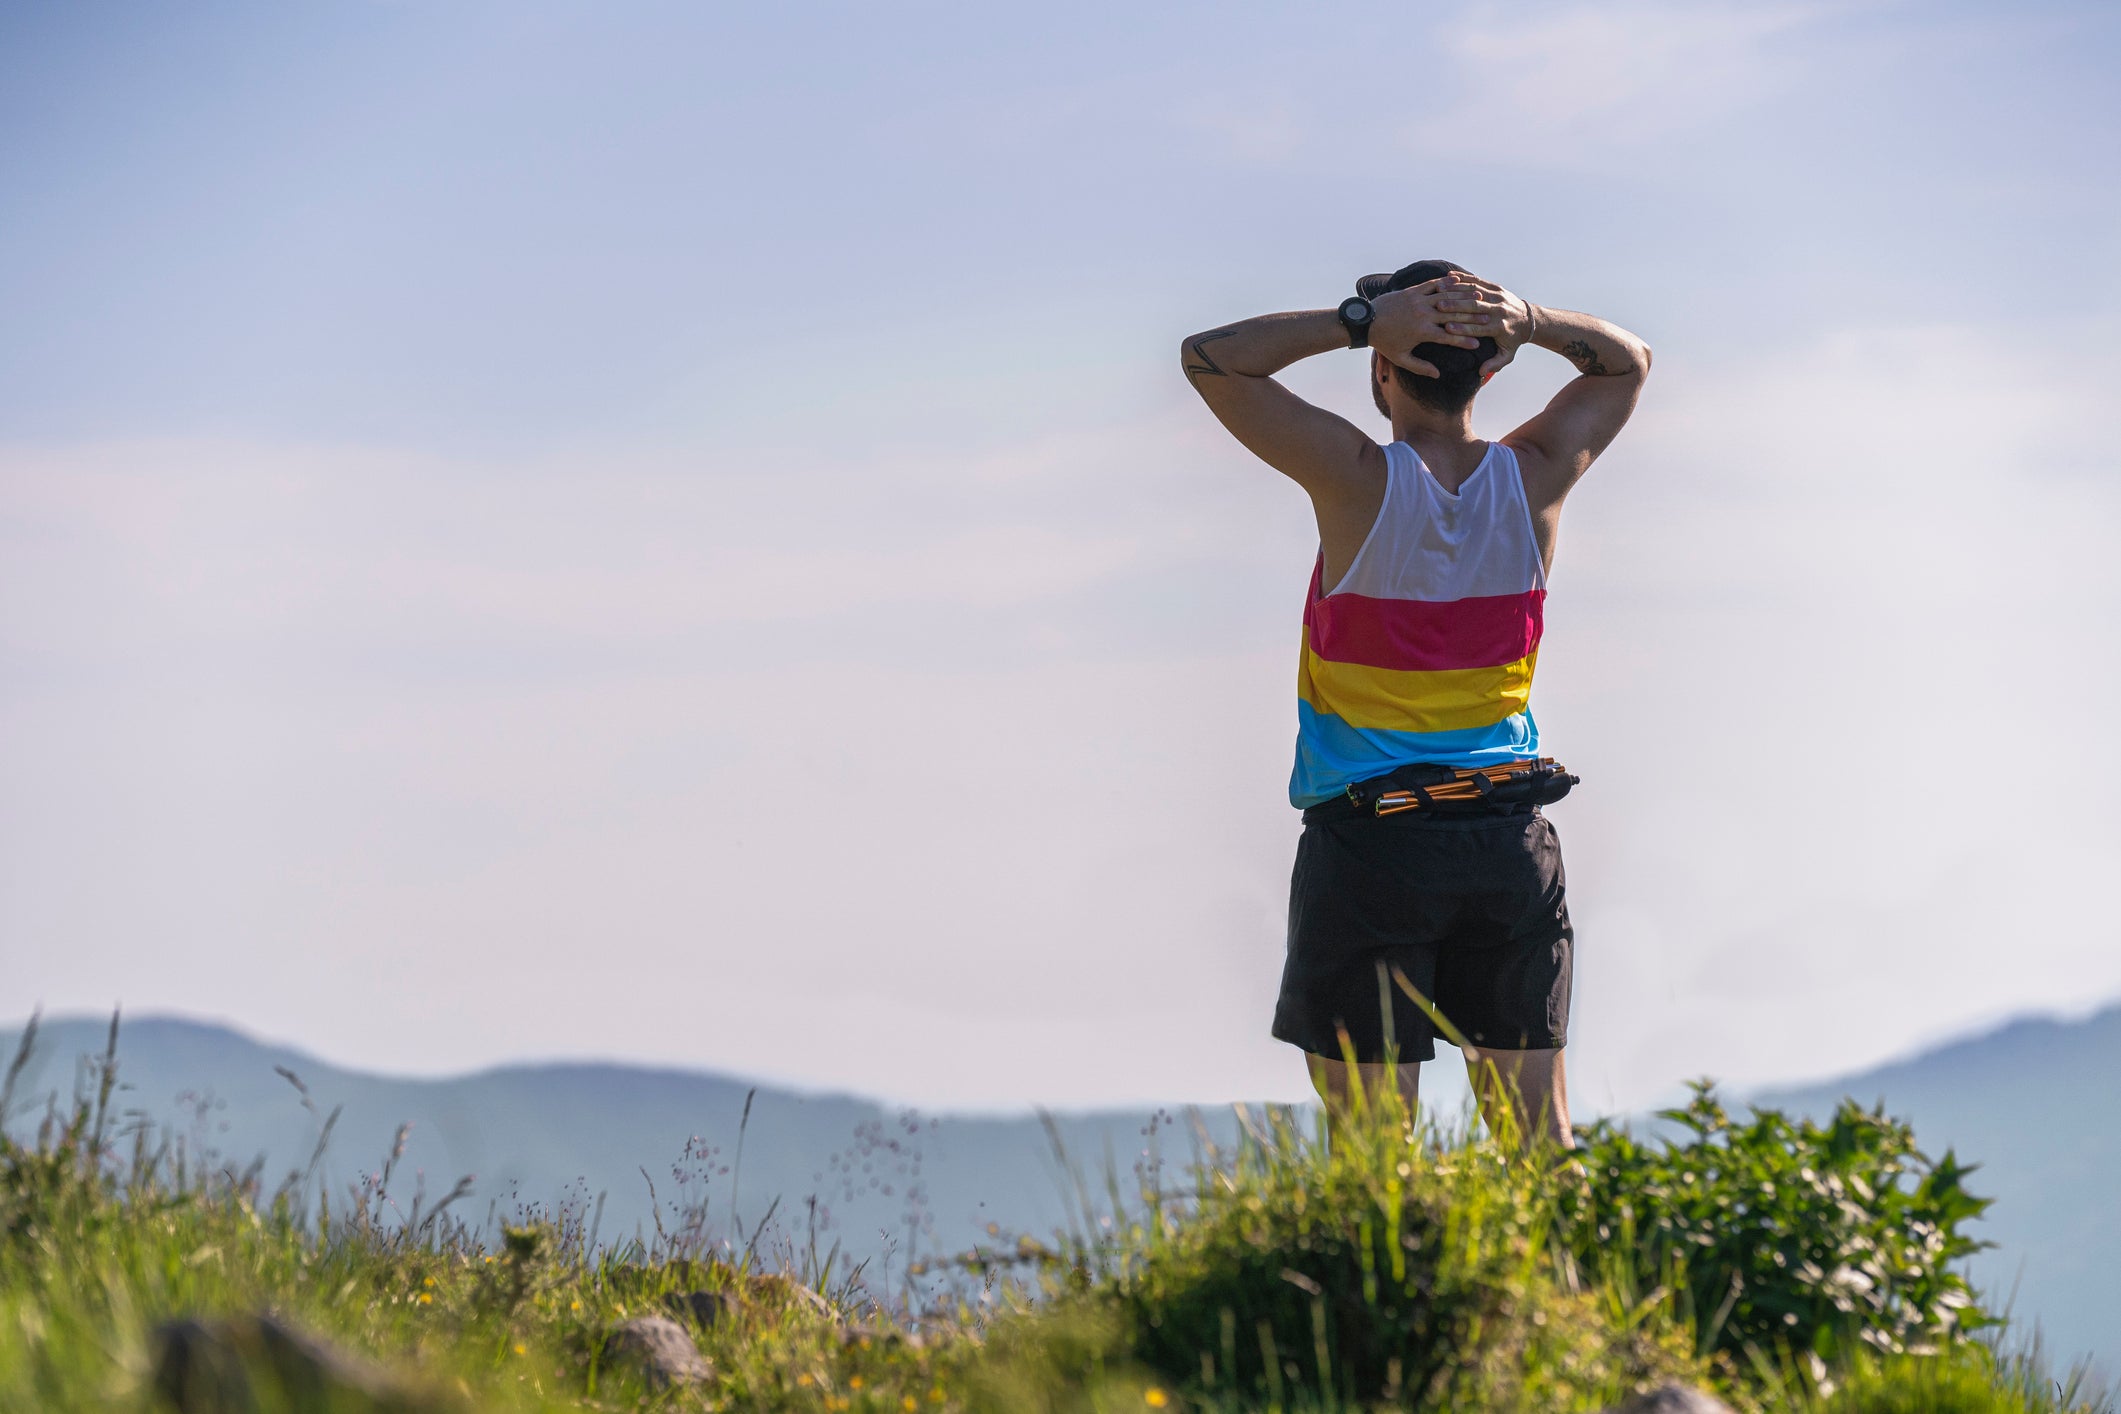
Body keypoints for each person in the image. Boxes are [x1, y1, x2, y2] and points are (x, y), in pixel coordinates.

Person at [1180, 260, 1651, 1148]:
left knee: (1373, 1165)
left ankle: (1392, 1295)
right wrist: (1531, 318)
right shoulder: (1536, 475)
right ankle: (1570, 1289)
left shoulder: (1354, 477)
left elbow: (1211, 360)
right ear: (1495, 367)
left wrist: (1361, 318)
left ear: (1380, 371)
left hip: (1373, 846)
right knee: (1539, 1150)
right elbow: (1624, 365)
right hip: (1508, 842)